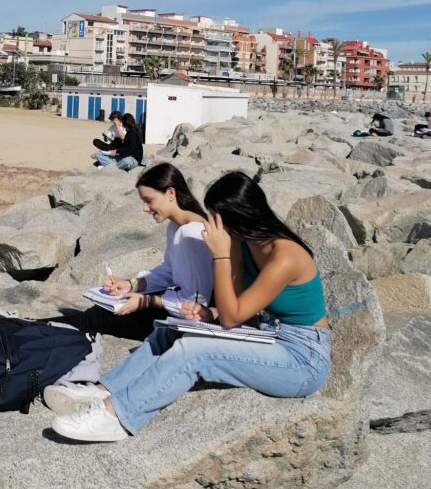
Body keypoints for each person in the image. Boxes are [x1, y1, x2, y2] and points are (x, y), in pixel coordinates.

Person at [46, 170, 331, 442]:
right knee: (170, 332)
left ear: (238, 217)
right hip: (267, 333)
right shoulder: (245, 243)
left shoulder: (285, 257)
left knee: (194, 353)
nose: (210, 227)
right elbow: (235, 306)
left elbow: (232, 318)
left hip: (302, 358)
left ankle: (117, 416)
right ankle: (103, 391)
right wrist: (211, 313)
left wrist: (221, 256)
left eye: (216, 219)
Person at [54, 163, 214, 345]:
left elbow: (196, 304)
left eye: (149, 200)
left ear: (170, 193)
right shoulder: (176, 226)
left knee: (100, 318)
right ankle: (38, 329)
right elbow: (169, 271)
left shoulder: (192, 233)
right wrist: (132, 284)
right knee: (98, 314)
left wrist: (147, 301)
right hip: (174, 306)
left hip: (184, 322)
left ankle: (37, 330)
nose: (145, 208)